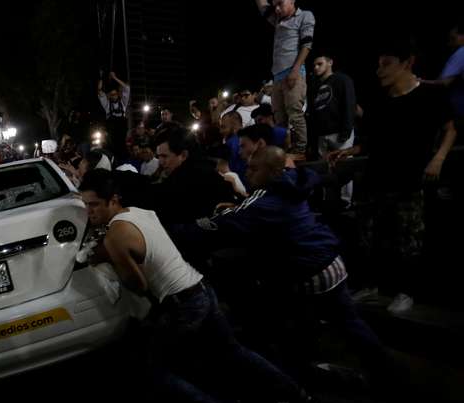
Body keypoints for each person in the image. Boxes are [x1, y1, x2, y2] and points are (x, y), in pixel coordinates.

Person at [79, 169, 320, 403]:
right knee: (232, 350)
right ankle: (302, 399)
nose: (88, 211)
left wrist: (108, 263)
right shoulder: (140, 213)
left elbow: (138, 284)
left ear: (113, 200)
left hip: (182, 304)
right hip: (200, 287)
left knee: (153, 369)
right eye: (85, 205)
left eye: (94, 204)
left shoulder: (114, 236)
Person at [178, 147, 392, 383]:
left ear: (272, 172)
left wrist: (169, 232)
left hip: (310, 272)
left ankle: (294, 379)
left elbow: (220, 226)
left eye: (254, 168)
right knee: (347, 322)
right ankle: (386, 372)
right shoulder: (292, 179)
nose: (247, 172)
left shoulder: (264, 202)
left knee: (281, 321)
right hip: (331, 263)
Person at [329, 37, 457, 313]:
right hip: (377, 177)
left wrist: (439, 157)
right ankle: (372, 286)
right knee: (368, 236)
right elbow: (373, 140)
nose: (379, 71)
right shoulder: (381, 100)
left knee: (408, 239)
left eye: (386, 65)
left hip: (410, 180)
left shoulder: (430, 95)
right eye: (378, 65)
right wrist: (348, 151)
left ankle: (406, 292)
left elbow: (450, 129)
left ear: (407, 63)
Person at [255, 0, 315, 159]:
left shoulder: (305, 16)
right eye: (275, 5)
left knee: (294, 112)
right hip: (277, 76)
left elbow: (306, 45)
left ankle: (300, 150)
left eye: (280, 3)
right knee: (279, 116)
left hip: (292, 72)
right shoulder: (278, 20)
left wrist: (295, 70)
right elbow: (262, 6)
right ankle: (282, 149)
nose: (277, 8)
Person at [308, 52, 357, 206]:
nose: (316, 68)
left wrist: (346, 129)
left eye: (319, 64)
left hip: (339, 131)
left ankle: (345, 201)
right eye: (314, 65)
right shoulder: (315, 85)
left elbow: (349, 104)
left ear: (330, 63)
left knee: (343, 165)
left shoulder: (341, 79)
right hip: (322, 134)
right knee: (324, 166)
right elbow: (313, 111)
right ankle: (326, 199)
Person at [98, 71, 131, 160]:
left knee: (122, 148)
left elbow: (127, 88)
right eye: (111, 95)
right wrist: (101, 77)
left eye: (115, 94)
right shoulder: (107, 105)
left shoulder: (123, 103)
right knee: (110, 148)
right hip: (111, 131)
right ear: (109, 96)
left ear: (117, 94)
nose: (114, 96)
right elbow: (100, 92)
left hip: (121, 129)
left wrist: (115, 78)